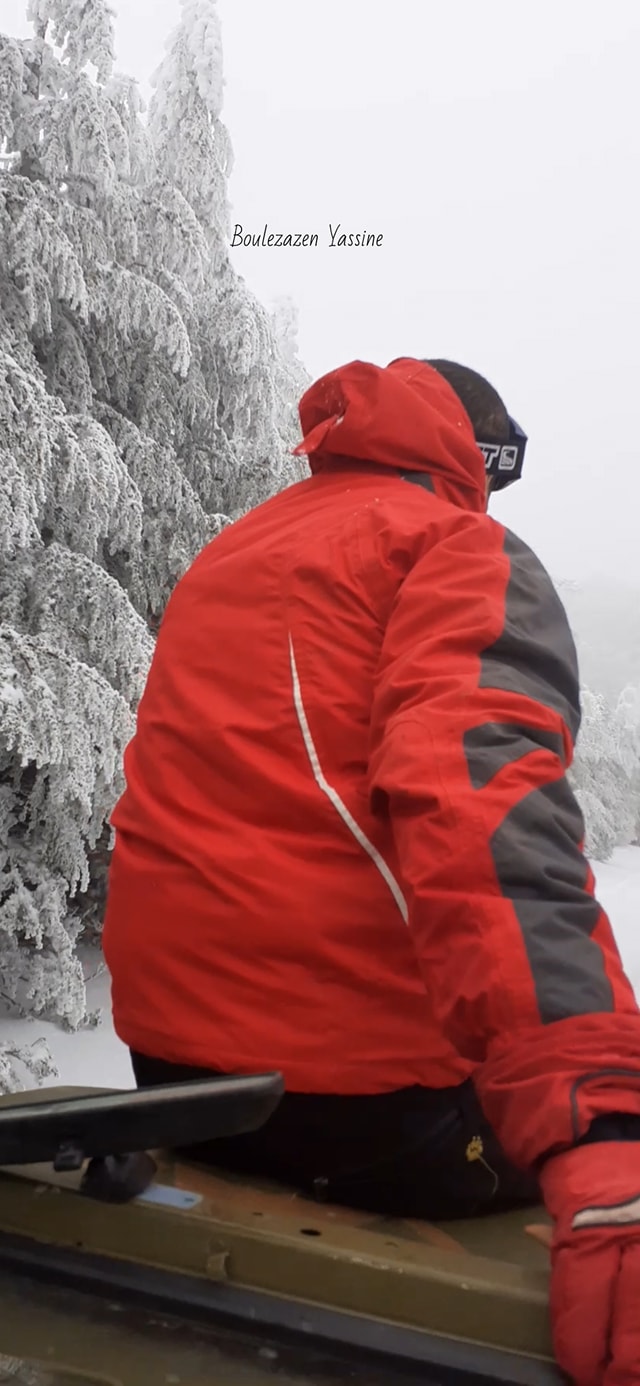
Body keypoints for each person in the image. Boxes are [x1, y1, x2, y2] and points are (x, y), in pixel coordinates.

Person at [103, 356, 640, 1386]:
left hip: (172, 1078)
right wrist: (598, 1124)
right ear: (479, 457)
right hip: (366, 1106)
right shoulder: (451, 544)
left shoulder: (236, 547)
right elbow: (480, 810)